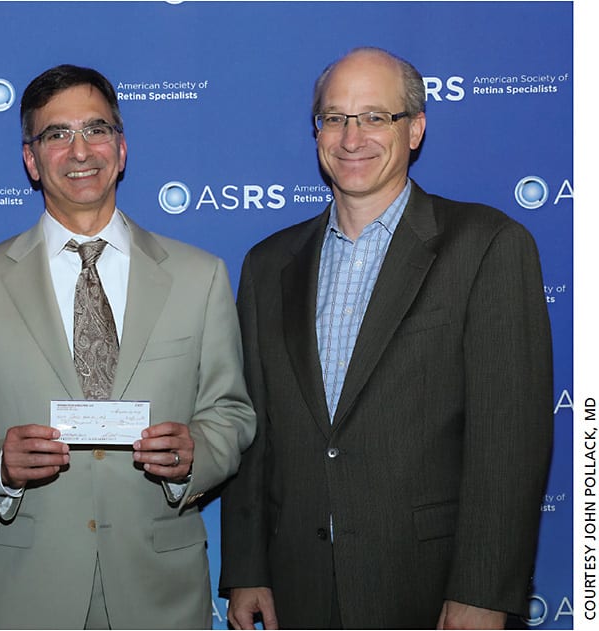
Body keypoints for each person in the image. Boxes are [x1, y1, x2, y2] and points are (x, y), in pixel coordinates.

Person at [220, 47, 553, 629]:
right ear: (317, 131)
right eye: (334, 118)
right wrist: (248, 569)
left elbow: (510, 441)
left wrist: (482, 591)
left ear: (416, 128)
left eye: (375, 117)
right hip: (296, 587)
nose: (352, 138)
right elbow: (255, 431)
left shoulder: (488, 245)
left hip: (428, 585)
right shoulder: (267, 264)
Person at [0, 64, 255, 629]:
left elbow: (231, 412)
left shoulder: (200, 276)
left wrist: (195, 451)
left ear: (121, 149)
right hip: (27, 593)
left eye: (96, 129)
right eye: (56, 134)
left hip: (162, 592)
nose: (80, 150)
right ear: (31, 159)